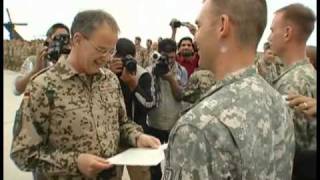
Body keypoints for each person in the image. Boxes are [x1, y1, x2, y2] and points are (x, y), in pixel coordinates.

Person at [10, 9, 160, 180]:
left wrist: (137, 137)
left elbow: (122, 124)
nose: (107, 58)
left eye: (111, 51)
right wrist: (75, 162)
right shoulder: (43, 86)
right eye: (101, 49)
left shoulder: (110, 80)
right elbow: (22, 154)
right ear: (77, 40)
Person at [163, 0, 295, 179]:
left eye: (199, 26)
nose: (195, 39)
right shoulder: (277, 101)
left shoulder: (198, 127)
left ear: (222, 25)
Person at [268, 4, 316, 180]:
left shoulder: (292, 84)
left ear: (287, 33)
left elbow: (284, 151)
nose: (269, 37)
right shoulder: (308, 73)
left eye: (273, 30)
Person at [109, 38, 155, 180]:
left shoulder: (142, 74)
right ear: (114, 56)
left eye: (128, 58)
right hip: (113, 137)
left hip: (136, 135)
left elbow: (149, 104)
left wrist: (133, 85)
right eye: (120, 57)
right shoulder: (105, 73)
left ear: (134, 57)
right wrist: (109, 74)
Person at [146, 38, 188, 180]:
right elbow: (147, 99)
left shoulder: (182, 71)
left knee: (174, 166)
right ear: (159, 54)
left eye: (172, 57)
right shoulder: (150, 71)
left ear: (176, 54)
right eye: (166, 57)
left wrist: (170, 79)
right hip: (154, 125)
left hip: (174, 125)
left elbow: (180, 96)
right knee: (155, 169)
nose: (169, 61)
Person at [13, 23, 70, 96]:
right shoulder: (33, 61)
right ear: (48, 40)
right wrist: (35, 71)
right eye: (58, 38)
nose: (61, 42)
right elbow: (17, 90)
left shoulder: (70, 63)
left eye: (65, 38)